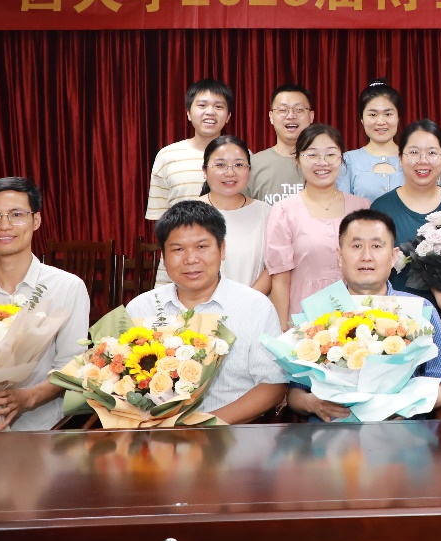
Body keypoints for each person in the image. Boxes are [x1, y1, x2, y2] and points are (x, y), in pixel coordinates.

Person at [285, 210, 441, 422]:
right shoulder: (317, 311)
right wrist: (312, 403)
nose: (366, 256)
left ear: (394, 256)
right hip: (332, 431)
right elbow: (294, 393)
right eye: (356, 246)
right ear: (340, 256)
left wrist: (404, 407)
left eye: (377, 246)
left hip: (401, 431)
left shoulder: (419, 309)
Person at [0, 177, 89, 431]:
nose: (4, 225)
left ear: (36, 220)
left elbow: (72, 365)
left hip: (43, 429)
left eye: (16, 215)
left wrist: (29, 397)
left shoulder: (67, 287)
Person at [126, 201, 287, 424]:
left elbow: (273, 386)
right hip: (156, 434)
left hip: (231, 433)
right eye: (178, 249)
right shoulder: (140, 308)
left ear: (222, 249)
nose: (191, 259)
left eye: (201, 247)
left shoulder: (255, 307)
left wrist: (201, 425)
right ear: (163, 255)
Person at [265, 124, 371, 328]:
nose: (322, 162)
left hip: (356, 316)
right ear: (298, 160)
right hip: (303, 318)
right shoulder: (284, 210)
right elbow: (280, 280)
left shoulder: (362, 207)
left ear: (341, 159)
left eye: (330, 154)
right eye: (312, 155)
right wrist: (281, 328)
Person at [156, 135, 271, 293]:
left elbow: (273, 267)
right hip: (197, 305)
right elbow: (170, 266)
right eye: (220, 165)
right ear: (204, 170)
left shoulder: (266, 212)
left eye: (238, 165)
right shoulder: (187, 213)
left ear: (249, 170)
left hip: (253, 303)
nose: (230, 172)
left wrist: (245, 302)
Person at [369, 120, 441, 307]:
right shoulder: (382, 208)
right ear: (400, 158)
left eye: (432, 153)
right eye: (413, 152)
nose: (423, 160)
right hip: (396, 316)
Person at [146, 78, 233, 221]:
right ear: (188, 113)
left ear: (228, 116)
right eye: (202, 105)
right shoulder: (167, 156)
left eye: (218, 106)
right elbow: (159, 218)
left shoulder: (241, 157)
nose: (210, 112)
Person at [339, 80, 405, 202]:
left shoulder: (411, 158)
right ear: (362, 119)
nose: (381, 122)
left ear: (398, 118)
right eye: (373, 115)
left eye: (388, 114)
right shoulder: (347, 161)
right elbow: (342, 205)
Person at [248, 84, 313, 205]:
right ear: (271, 117)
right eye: (283, 110)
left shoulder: (325, 164)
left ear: (311, 116)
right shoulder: (253, 164)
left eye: (299, 110)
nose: (291, 116)